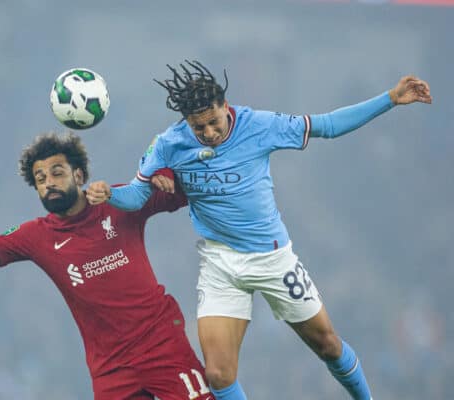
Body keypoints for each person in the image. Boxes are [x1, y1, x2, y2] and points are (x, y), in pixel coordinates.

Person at [85, 60, 432, 400]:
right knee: (218, 375)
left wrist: (389, 99)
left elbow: (326, 125)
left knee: (328, 346)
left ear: (225, 106)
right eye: (198, 127)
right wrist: (110, 194)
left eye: (212, 122)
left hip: (272, 257)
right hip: (220, 263)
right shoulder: (168, 144)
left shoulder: (259, 125)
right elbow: (136, 196)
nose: (208, 133)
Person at [0, 132, 217, 400]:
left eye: (56, 172)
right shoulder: (36, 236)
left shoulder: (119, 201)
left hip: (160, 343)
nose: (49, 183)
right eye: (40, 178)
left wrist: (166, 174)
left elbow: (183, 191)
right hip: (111, 367)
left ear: (79, 174)